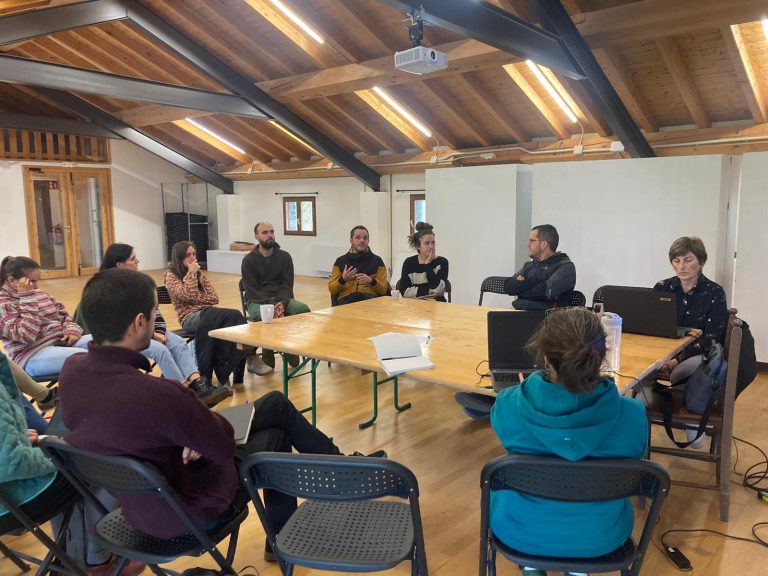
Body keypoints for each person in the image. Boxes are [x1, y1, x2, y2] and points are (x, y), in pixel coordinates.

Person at [59, 269, 386, 561]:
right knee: (276, 434)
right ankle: (298, 523)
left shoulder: (72, 372)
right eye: (155, 312)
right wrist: (190, 431)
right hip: (186, 512)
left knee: (274, 404)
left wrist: (181, 438)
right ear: (139, 323)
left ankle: (336, 478)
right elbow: (220, 445)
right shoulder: (156, 394)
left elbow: (108, 431)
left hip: (138, 507)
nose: (158, 318)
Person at [489, 307, 648, 571]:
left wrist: (525, 388)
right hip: (601, 537)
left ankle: (531, 567)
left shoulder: (509, 404)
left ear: (546, 360)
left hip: (522, 532)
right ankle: (577, 568)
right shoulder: (633, 415)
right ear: (601, 357)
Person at [0, 351, 144, 576]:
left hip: (9, 492)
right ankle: (96, 563)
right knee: (104, 458)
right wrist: (53, 454)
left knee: (72, 454)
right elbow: (11, 463)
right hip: (11, 502)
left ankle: (72, 557)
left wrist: (16, 438)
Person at [86, 243, 227, 407]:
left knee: (178, 342)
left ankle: (199, 385)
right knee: (161, 350)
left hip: (148, 331)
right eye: (133, 258)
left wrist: (158, 331)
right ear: (119, 264)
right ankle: (182, 394)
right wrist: (153, 334)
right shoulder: (106, 288)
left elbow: (153, 311)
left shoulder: (136, 282)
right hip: (121, 338)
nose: (138, 261)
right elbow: (118, 322)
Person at [163, 241, 246, 386]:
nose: (192, 258)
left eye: (194, 254)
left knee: (234, 317)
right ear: (179, 256)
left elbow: (214, 297)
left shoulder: (200, 275)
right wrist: (191, 274)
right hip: (189, 318)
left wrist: (197, 298)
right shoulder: (170, 275)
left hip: (208, 315)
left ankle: (225, 369)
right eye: (188, 255)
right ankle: (221, 373)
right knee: (227, 316)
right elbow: (187, 295)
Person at [0, 256, 88, 378]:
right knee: (89, 359)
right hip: (32, 355)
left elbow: (64, 317)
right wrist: (27, 298)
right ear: (11, 280)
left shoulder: (40, 293)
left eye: (37, 280)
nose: (36, 287)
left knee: (107, 345)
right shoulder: (3, 305)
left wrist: (72, 330)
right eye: (32, 281)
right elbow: (26, 335)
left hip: (61, 342)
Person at [241, 222, 308, 375]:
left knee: (302, 309)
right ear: (256, 236)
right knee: (267, 314)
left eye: (271, 231)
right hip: (257, 301)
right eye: (264, 232)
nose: (269, 235)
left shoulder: (284, 257)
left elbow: (287, 285)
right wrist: (272, 304)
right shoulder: (249, 260)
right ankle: (268, 354)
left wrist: (282, 303)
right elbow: (252, 291)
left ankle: (292, 346)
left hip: (281, 299)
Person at [653, 236, 728, 370]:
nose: (682, 266)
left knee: (683, 371)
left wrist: (678, 360)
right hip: (662, 351)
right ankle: (649, 391)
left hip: (698, 353)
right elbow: (651, 326)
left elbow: (711, 337)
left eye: (688, 260)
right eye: (676, 261)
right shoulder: (662, 288)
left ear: (701, 262)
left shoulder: (715, 292)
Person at [503, 224, 576, 310]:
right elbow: (508, 286)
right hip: (523, 314)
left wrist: (520, 287)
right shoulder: (530, 265)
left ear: (544, 244)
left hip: (549, 319)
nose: (528, 244)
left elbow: (543, 292)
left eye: (532, 241)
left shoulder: (565, 267)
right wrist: (534, 283)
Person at [329, 225, 389, 305]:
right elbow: (332, 289)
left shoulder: (377, 261)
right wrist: (343, 279)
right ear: (351, 240)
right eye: (358, 237)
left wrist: (372, 281)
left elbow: (384, 290)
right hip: (346, 302)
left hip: (369, 301)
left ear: (368, 240)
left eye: (365, 238)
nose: (362, 240)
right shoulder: (340, 261)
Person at [398, 222, 449, 301]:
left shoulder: (442, 262)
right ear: (418, 246)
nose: (431, 246)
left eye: (433, 242)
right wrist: (430, 291)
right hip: (415, 306)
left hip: (438, 306)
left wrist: (427, 265)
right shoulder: (409, 263)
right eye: (427, 243)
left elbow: (438, 290)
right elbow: (405, 292)